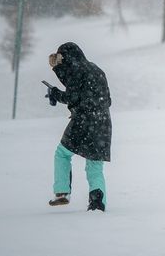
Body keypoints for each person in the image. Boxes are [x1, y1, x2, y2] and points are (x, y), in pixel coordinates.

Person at [45, 42, 112, 211]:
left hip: (83, 121)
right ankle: (97, 203)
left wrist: (54, 93)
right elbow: (108, 100)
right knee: (95, 165)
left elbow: (71, 97)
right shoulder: (96, 70)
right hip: (103, 122)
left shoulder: (76, 70)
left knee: (62, 154)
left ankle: (62, 192)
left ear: (66, 58)